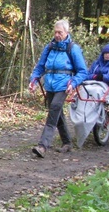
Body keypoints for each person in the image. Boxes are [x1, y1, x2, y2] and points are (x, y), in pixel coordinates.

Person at [29, 19, 88, 156]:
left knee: (54, 110)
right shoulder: (49, 47)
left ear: (66, 32)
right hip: (50, 85)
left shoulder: (73, 48)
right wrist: (34, 80)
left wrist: (73, 83)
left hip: (63, 86)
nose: (57, 35)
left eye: (60, 32)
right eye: (55, 32)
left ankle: (43, 146)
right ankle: (67, 143)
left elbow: (82, 71)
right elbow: (40, 67)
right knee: (57, 112)